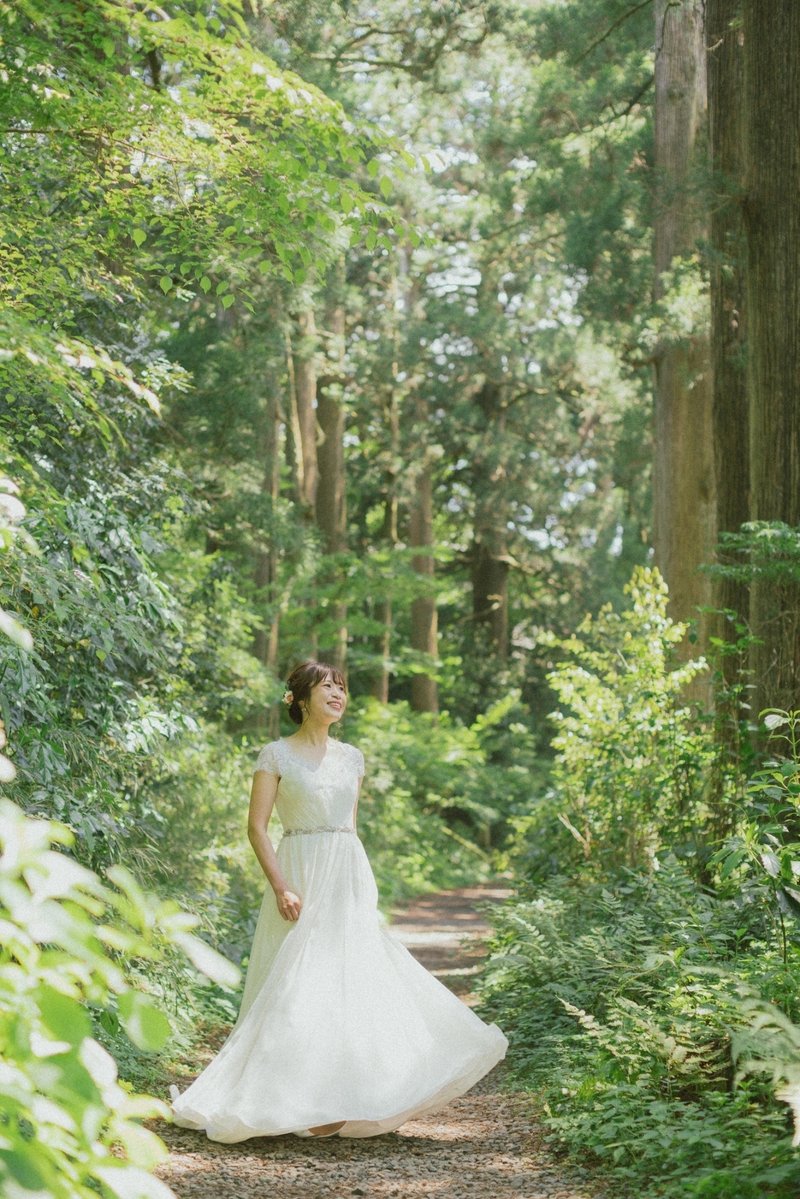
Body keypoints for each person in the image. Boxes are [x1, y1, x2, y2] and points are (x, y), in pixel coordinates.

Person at [169, 659, 508, 1141]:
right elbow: (257, 827)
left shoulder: (352, 758)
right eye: (326, 686)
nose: (337, 693)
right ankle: (287, 1096)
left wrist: (360, 886)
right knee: (293, 985)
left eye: (341, 687)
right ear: (301, 699)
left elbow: (350, 826)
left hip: (345, 873)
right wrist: (281, 884)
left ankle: (342, 1095)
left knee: (347, 982)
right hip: (300, 873)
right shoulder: (275, 755)